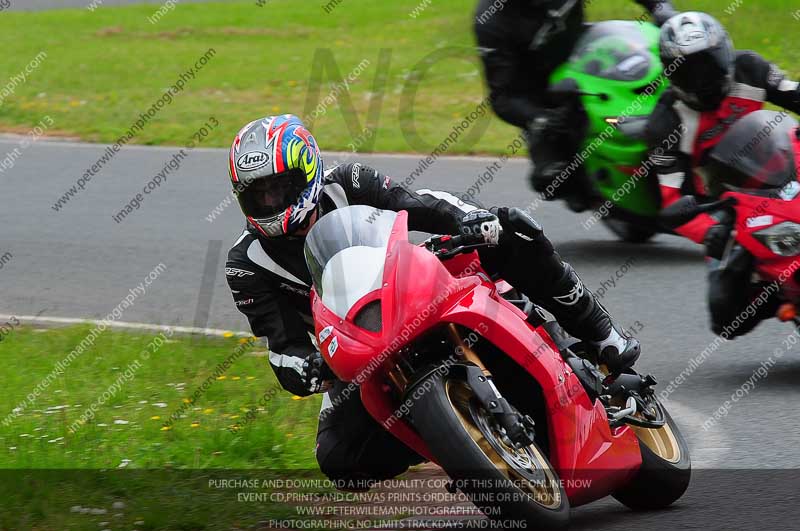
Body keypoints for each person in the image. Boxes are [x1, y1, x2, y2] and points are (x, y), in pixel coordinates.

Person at [225, 114, 642, 485]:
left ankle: (600, 332)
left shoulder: (349, 182)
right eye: (257, 194)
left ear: (308, 172)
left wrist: (470, 219)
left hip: (411, 291)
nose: (270, 202)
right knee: (339, 459)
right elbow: (282, 346)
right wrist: (306, 367)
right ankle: (452, 442)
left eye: (280, 188)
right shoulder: (246, 264)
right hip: (357, 347)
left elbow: (420, 204)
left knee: (513, 229)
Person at [646, 12, 800, 336]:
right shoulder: (666, 124)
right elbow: (673, 200)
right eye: (689, 70)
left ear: (725, 53)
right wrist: (712, 232)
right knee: (727, 318)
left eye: (709, 63)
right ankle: (775, 295)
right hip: (729, 206)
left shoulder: (751, 68)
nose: (702, 78)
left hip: (785, 166)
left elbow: (794, 94)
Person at [474, 0, 677, 202]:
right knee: (552, 178)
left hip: (588, 53)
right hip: (542, 94)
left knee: (666, 66)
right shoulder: (490, 22)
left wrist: (660, 7)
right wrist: (540, 119)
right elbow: (503, 97)